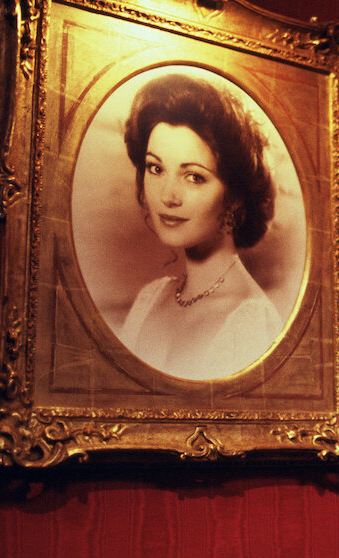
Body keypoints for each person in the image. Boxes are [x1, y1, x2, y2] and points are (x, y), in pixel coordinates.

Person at [117, 73, 282, 380]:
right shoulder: (150, 298)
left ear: (234, 196)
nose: (168, 196)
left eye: (194, 177)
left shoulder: (251, 324)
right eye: (156, 168)